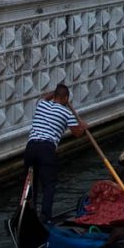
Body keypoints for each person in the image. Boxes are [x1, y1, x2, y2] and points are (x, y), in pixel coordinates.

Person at [23, 83, 88, 222]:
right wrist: (83, 127)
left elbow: (45, 97)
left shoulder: (41, 104)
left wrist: (55, 93)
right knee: (49, 185)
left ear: (54, 95)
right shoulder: (66, 113)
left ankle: (28, 214)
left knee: (30, 184)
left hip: (30, 147)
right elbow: (77, 133)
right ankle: (45, 217)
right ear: (66, 98)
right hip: (46, 148)